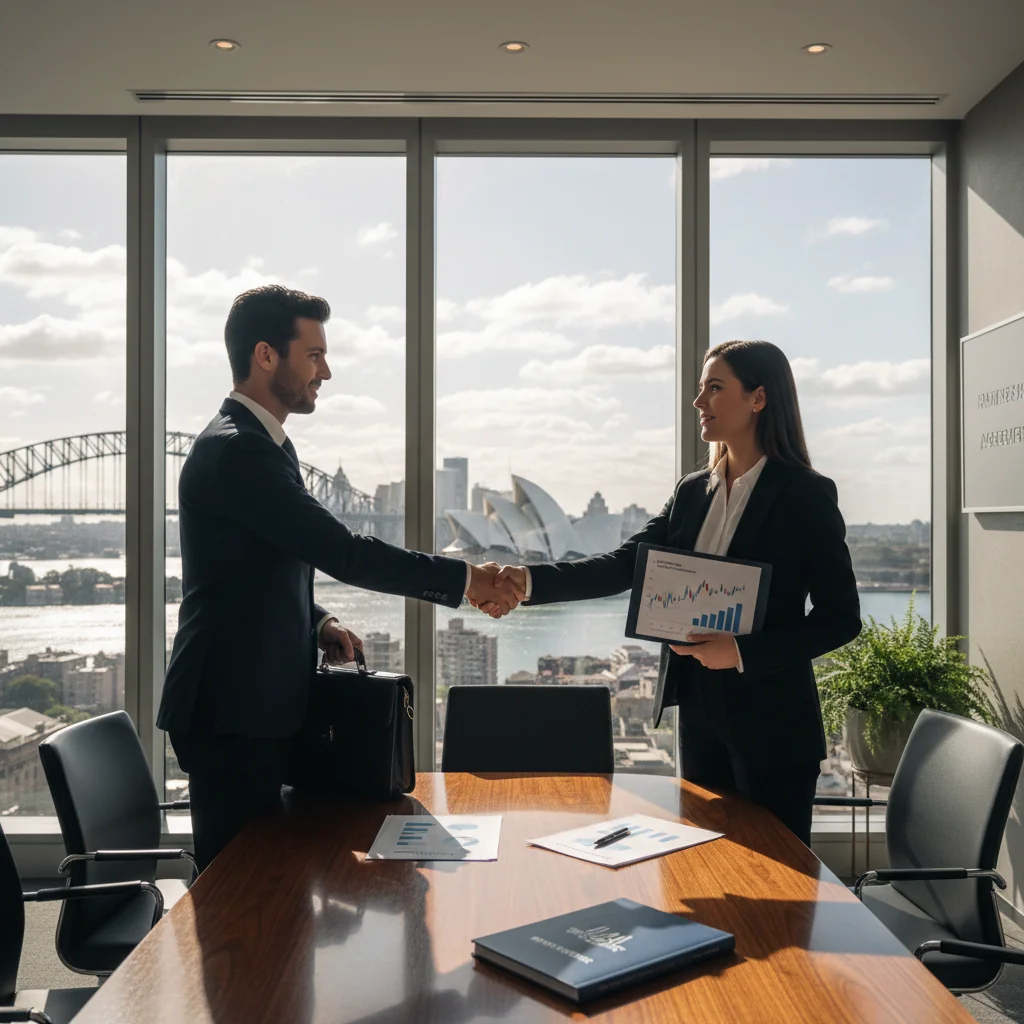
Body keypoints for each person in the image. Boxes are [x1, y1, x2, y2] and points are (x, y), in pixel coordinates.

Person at [159, 284, 516, 870]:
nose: (327, 370)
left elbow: (258, 568)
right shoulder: (240, 451)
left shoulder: (265, 444)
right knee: (240, 896)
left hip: (253, 705)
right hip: (231, 712)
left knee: (275, 890)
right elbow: (342, 551)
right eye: (315, 354)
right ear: (266, 355)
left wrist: (318, 620)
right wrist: (466, 581)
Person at [486, 340, 861, 845]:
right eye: (699, 389)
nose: (698, 402)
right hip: (699, 713)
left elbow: (841, 617)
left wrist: (742, 651)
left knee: (780, 882)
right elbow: (625, 565)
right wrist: (527, 581)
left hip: (774, 726)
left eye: (714, 387)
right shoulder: (691, 491)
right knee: (705, 868)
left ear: (758, 398)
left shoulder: (806, 495)